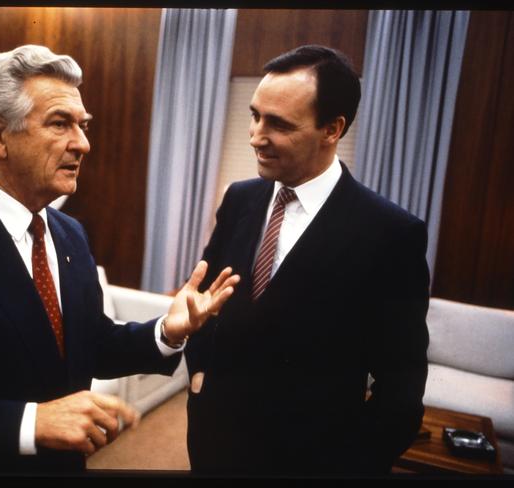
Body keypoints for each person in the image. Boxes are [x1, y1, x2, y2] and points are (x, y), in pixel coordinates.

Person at [0, 45, 239, 474]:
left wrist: (168, 332)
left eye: (83, 126)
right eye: (60, 124)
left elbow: (88, 344)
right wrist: (30, 422)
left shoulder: (69, 234)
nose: (83, 143)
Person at [184, 45, 430, 476]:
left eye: (277, 123)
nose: (255, 136)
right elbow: (205, 296)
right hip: (212, 446)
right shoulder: (239, 198)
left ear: (332, 129)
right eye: (255, 115)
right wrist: (199, 374)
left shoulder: (392, 234)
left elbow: (401, 391)